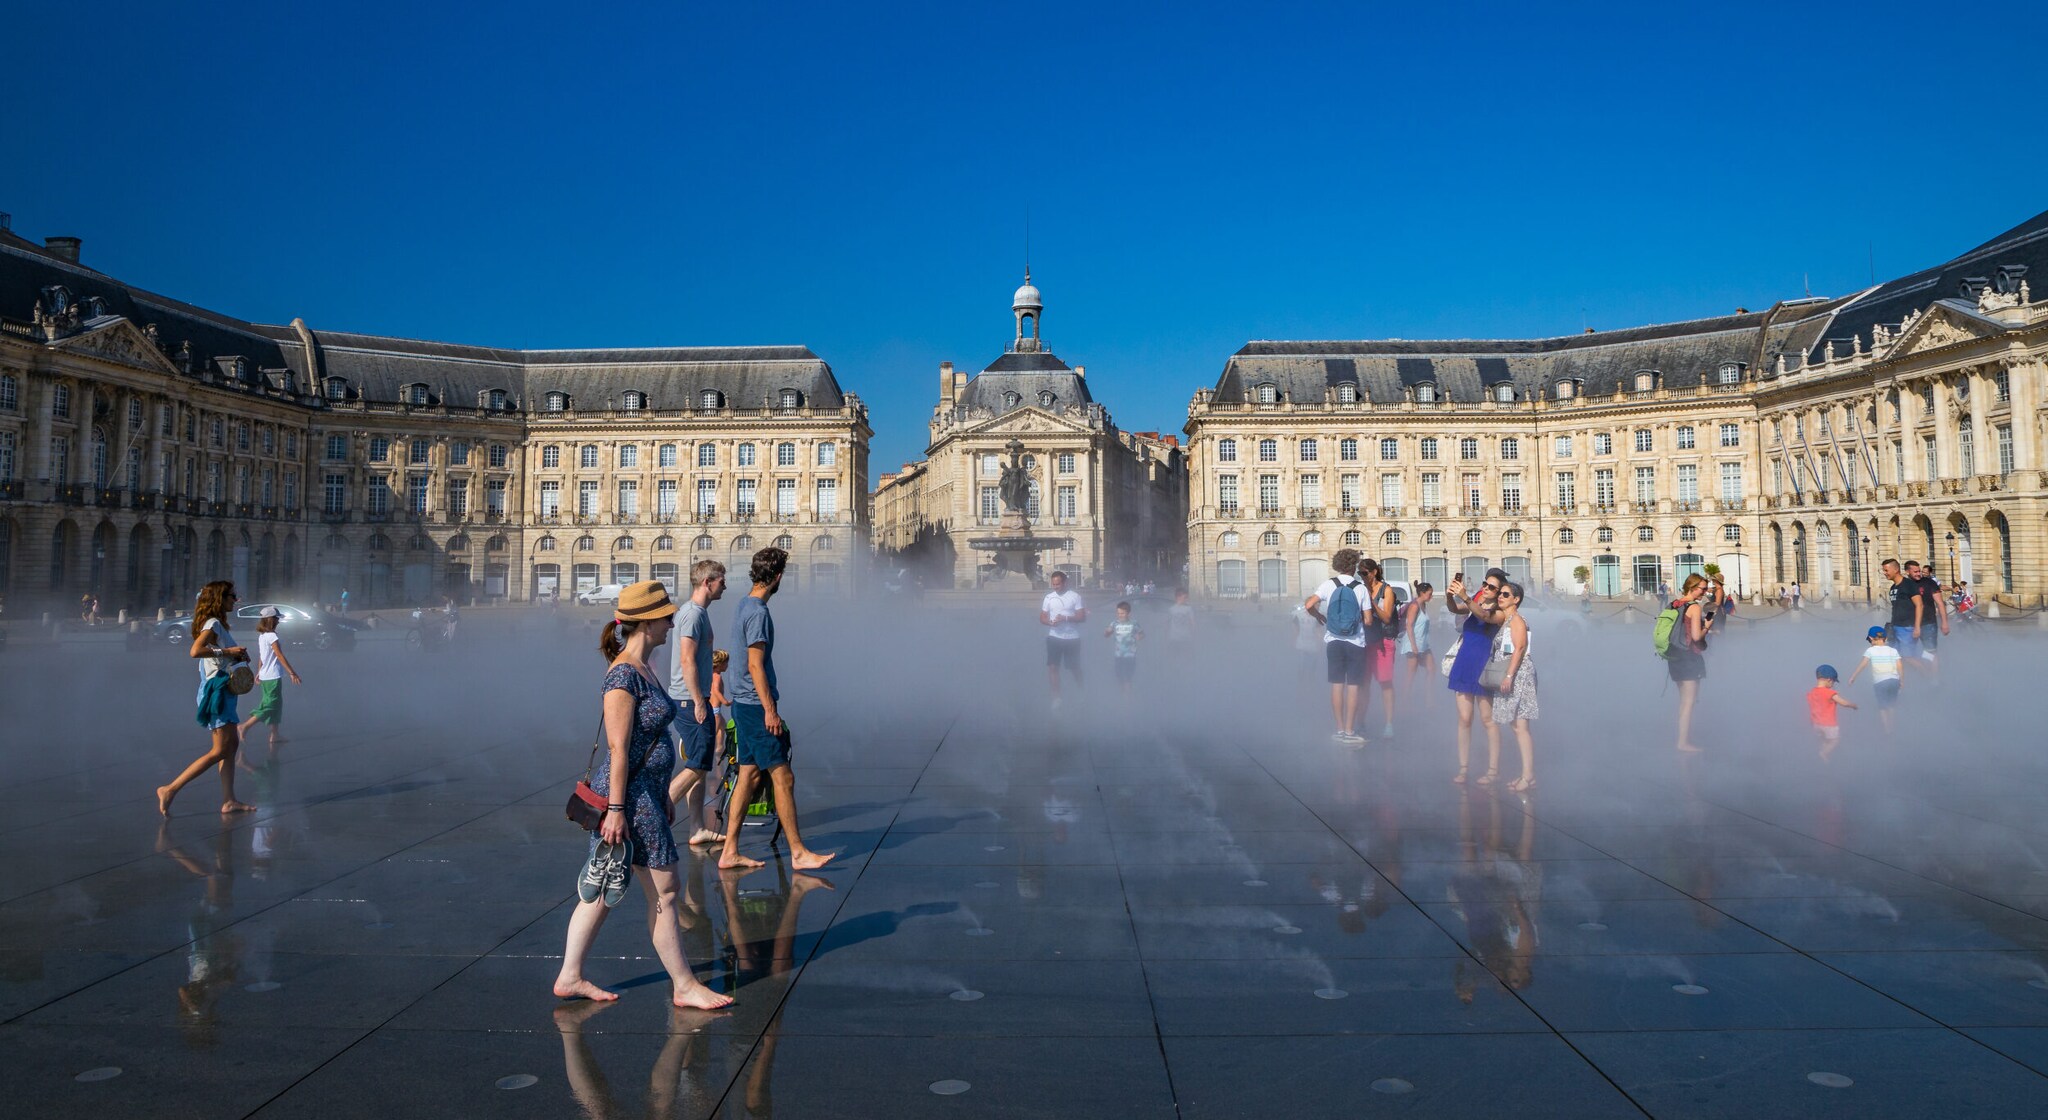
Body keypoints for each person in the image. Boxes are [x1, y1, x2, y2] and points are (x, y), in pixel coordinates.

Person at [553, 580, 733, 1011]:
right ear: (647, 623)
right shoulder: (622, 676)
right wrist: (616, 810)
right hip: (629, 798)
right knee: (665, 890)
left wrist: (660, 791)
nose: (672, 623)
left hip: (644, 793)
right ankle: (684, 985)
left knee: (604, 882)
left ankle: (570, 975)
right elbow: (618, 750)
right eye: (666, 617)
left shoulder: (643, 667)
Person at [718, 548, 836, 873]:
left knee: (748, 774)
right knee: (783, 776)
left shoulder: (744, 604)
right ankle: (798, 852)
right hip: (756, 707)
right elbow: (755, 665)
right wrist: (770, 710)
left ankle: (729, 851)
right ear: (779, 577)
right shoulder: (758, 613)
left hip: (743, 704)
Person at [157, 581, 257, 817]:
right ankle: (170, 789)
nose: (236, 599)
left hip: (224, 689)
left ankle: (229, 800)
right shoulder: (212, 623)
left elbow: (215, 657)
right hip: (216, 691)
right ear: (220, 599)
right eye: (232, 595)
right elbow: (196, 651)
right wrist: (229, 652)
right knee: (220, 749)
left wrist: (236, 656)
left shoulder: (218, 625)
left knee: (230, 747)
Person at [667, 560, 728, 848]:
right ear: (707, 582)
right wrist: (698, 701)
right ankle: (655, 813)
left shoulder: (697, 612)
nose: (724, 586)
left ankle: (696, 827)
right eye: (721, 581)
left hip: (691, 697)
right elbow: (686, 659)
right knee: (699, 763)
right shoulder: (692, 614)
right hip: (689, 699)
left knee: (699, 765)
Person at [1444, 568, 1509, 783]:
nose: (1486, 588)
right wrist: (1450, 596)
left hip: (1484, 666)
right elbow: (1456, 609)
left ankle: (1493, 770)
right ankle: (1463, 768)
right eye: (1485, 584)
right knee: (1464, 719)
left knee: (1488, 719)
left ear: (1499, 592)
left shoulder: (1500, 611)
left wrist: (1465, 596)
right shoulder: (1477, 600)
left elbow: (1484, 616)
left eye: (1491, 587)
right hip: (1465, 662)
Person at [1305, 548, 1374, 744]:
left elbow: (1309, 605)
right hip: (1355, 642)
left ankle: (1339, 729)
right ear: (1353, 566)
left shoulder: (1329, 584)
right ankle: (1350, 731)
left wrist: (1318, 616)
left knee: (1336, 685)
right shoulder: (1360, 588)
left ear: (1338, 565)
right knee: (1353, 686)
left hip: (1333, 641)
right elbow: (1368, 621)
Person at [1490, 581, 1538, 792]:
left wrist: (1509, 676)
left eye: (1505, 594)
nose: (1500, 597)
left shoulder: (1517, 620)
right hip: (1513, 673)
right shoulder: (1507, 620)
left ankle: (1528, 776)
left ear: (1516, 599)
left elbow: (1519, 648)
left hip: (1520, 675)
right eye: (1500, 594)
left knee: (1521, 726)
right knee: (1516, 725)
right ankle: (1526, 774)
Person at [236, 607, 303, 750]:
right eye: (276, 618)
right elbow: (279, 655)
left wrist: (259, 672)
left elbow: (263, 656)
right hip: (272, 676)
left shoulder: (263, 636)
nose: (278, 621)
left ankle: (274, 734)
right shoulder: (271, 636)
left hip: (267, 675)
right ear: (270, 620)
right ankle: (245, 726)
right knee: (270, 705)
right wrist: (292, 673)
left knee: (276, 705)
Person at [1664, 574, 1712, 753]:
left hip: (1674, 655)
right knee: (1689, 702)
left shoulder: (1674, 604)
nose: (1705, 592)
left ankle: (1682, 738)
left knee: (1683, 701)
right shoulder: (1694, 607)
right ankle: (1683, 743)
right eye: (1702, 589)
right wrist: (1707, 626)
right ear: (1692, 587)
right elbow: (1696, 637)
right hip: (1689, 657)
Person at [1359, 559, 1400, 741]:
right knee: (1363, 684)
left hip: (1384, 640)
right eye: (1359, 573)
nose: (1362, 576)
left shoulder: (1386, 590)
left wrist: (1371, 603)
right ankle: (1360, 721)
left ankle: (1389, 723)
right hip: (1365, 641)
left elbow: (1387, 617)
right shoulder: (1361, 589)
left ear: (1374, 572)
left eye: (1364, 573)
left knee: (1385, 682)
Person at [1843, 625, 1902, 735]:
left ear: (1871, 638)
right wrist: (1901, 680)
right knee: (1891, 705)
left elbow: (1863, 664)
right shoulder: (1893, 650)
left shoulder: (1870, 651)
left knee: (1882, 707)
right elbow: (1899, 666)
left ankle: (1887, 730)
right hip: (1894, 680)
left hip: (1880, 681)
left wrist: (1853, 677)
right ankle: (1892, 727)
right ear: (1885, 638)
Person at [1040, 570, 1087, 707]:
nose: (1055, 587)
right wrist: (1050, 622)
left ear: (1064, 583)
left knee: (1074, 667)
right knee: (1053, 667)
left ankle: (1081, 691)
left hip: (1072, 638)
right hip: (1054, 636)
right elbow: (1042, 617)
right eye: (1053, 584)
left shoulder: (1075, 597)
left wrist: (1065, 618)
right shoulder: (1049, 597)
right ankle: (1056, 699)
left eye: (1058, 584)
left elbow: (1082, 617)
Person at [1880, 559, 1927, 671]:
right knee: (1896, 657)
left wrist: (1917, 627)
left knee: (1908, 657)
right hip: (1896, 626)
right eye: (1884, 570)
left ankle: (1928, 677)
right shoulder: (1893, 587)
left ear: (1896, 569)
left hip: (1907, 627)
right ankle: (1904, 678)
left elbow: (1919, 605)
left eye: (1886, 570)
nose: (1884, 573)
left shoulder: (1908, 585)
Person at [1905, 561, 1950, 677]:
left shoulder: (1929, 583)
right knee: (1908, 653)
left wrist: (1944, 623)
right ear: (1907, 572)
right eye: (1915, 572)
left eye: (1919, 571)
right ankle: (1921, 675)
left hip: (1928, 622)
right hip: (1909, 624)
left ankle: (1934, 679)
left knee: (1930, 652)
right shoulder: (1904, 584)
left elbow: (1940, 603)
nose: (1918, 574)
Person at [1397, 582, 1436, 706]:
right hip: (1412, 644)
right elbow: (1409, 626)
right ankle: (1405, 702)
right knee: (1411, 674)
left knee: (1432, 669)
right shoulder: (1414, 606)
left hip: (1424, 644)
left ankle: (1429, 699)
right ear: (1422, 593)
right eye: (1430, 594)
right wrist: (1414, 646)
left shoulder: (1423, 605)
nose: (1431, 596)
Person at [1807, 664, 1856, 761]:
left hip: (1816, 724)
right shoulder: (1829, 692)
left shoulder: (1811, 693)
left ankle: (1821, 754)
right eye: (1833, 682)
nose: (1833, 685)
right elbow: (1844, 703)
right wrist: (1853, 705)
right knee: (1835, 740)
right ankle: (1824, 753)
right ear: (1829, 680)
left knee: (1824, 740)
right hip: (1829, 724)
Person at [1103, 601, 1143, 695]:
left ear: (1128, 613)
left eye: (1122, 613)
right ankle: (1121, 694)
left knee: (1128, 679)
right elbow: (1106, 635)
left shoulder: (1133, 623)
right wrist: (1107, 632)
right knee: (1119, 677)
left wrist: (1139, 637)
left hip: (1130, 655)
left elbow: (1141, 634)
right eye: (1118, 613)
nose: (1120, 615)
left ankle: (1127, 700)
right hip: (1118, 655)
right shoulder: (1114, 623)